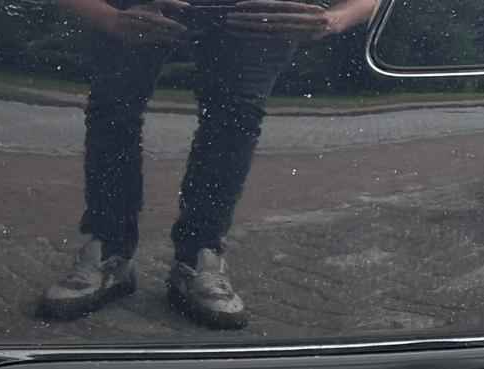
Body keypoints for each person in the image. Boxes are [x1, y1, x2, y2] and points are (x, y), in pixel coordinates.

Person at [39, 0, 379, 329]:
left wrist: (333, 19)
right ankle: (111, 253)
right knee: (113, 108)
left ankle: (198, 257)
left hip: (256, 16)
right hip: (147, 7)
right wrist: (107, 17)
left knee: (235, 118)